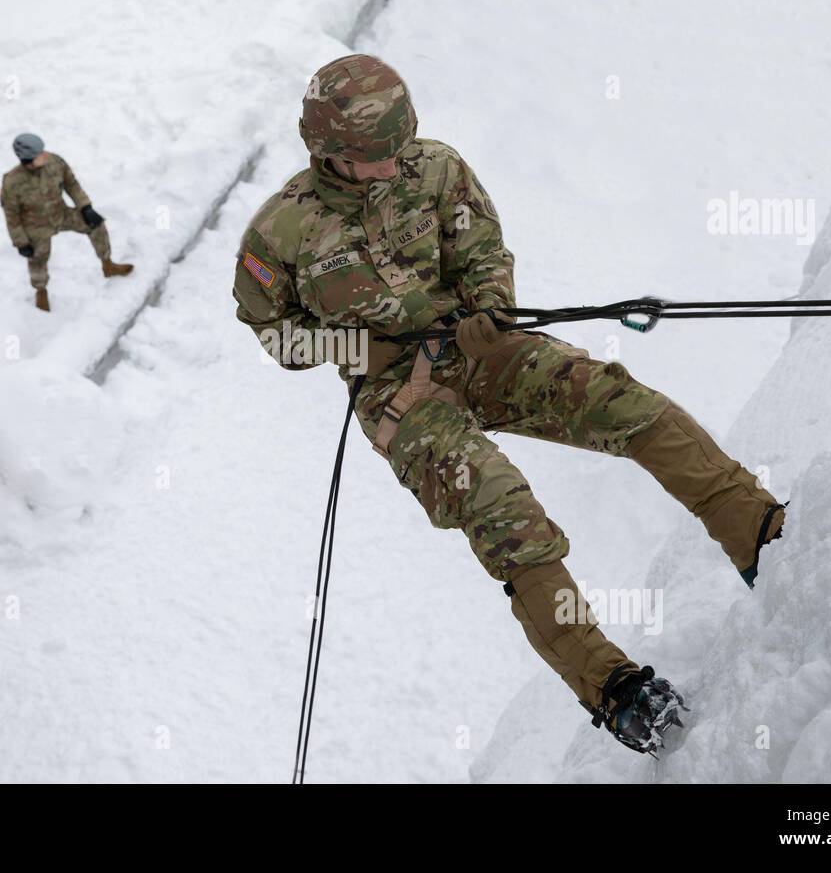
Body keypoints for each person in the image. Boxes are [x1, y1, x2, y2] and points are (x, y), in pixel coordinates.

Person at [231, 54, 786, 753]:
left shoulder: (433, 168)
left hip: (476, 348)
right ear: (328, 151)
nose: (393, 164)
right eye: (376, 157)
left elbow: (483, 252)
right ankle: (614, 688)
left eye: (400, 147)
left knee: (620, 403)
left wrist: (491, 310)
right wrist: (357, 352)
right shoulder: (281, 233)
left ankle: (761, 536)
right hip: (398, 395)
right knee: (502, 511)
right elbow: (271, 331)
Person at [0, 132, 134, 312]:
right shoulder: (12, 182)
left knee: (96, 225)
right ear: (27, 161)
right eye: (40, 155)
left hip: (60, 214)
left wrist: (85, 207)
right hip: (36, 227)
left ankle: (107, 264)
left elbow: (72, 184)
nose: (45, 155)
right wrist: (21, 242)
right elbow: (12, 216)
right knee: (38, 259)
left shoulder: (54, 162)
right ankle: (41, 291)